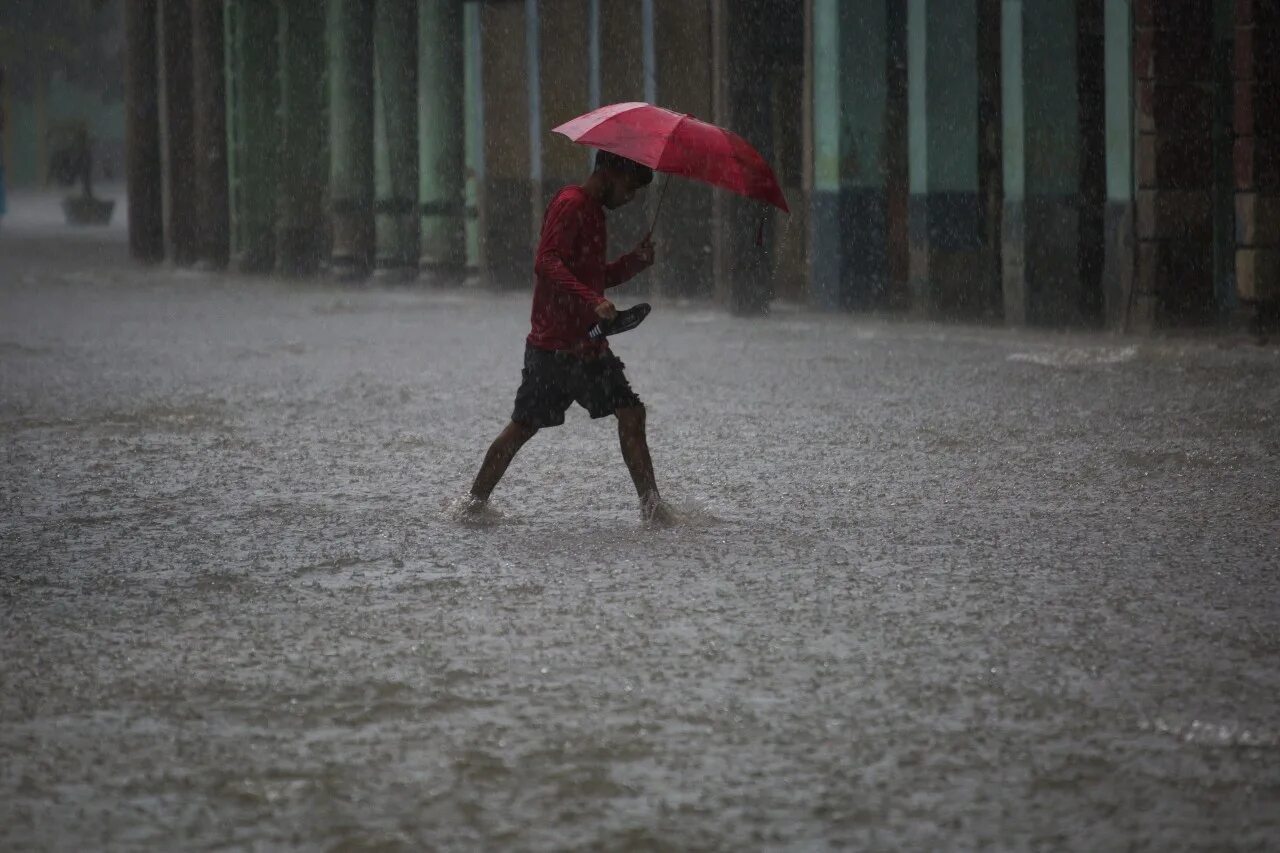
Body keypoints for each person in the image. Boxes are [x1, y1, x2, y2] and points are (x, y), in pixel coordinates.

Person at [462, 150, 674, 525]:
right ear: (609, 172)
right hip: (554, 348)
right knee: (522, 427)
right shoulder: (572, 204)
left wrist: (633, 263)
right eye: (629, 186)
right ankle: (472, 505)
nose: (630, 197)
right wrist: (593, 299)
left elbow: (593, 275)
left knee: (631, 413)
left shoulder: (594, 213)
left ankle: (652, 509)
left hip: (588, 345)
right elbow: (546, 261)